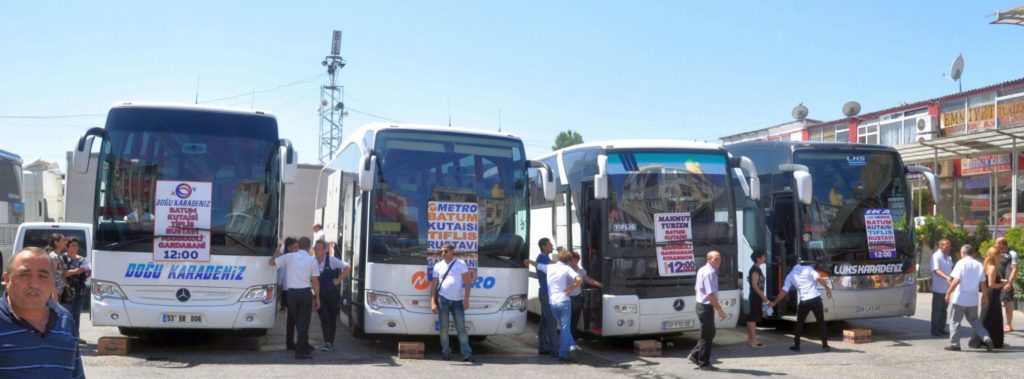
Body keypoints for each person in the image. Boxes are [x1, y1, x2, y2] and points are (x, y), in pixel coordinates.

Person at [0, 247, 85, 378]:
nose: (34, 284)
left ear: (52, 282)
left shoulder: (64, 319)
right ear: (7, 279)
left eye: (43, 276)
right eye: (24, 274)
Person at [768, 255, 833, 352]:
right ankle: (825, 345)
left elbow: (784, 291)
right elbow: (818, 279)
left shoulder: (790, 276)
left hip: (804, 301)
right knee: (821, 322)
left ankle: (797, 345)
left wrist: (774, 302)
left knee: (799, 323)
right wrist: (827, 288)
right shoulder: (808, 268)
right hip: (815, 299)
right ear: (798, 262)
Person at [270, 239, 321, 359]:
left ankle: (302, 347)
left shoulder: (289, 257)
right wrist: (317, 298)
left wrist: (276, 253)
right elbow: (315, 281)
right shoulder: (312, 260)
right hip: (305, 293)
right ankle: (300, 350)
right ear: (309, 247)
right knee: (303, 323)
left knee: (297, 321)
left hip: (291, 293)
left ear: (298, 246)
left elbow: (272, 263)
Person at [944, 244, 993, 352]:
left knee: (955, 321)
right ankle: (986, 337)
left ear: (963, 253)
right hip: (973, 299)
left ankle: (955, 344)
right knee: (975, 321)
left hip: (961, 298)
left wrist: (948, 293)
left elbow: (956, 280)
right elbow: (983, 283)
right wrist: (985, 297)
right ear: (972, 253)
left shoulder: (961, 263)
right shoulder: (978, 264)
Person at [430, 243, 474, 362]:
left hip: (458, 301)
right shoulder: (437, 266)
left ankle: (466, 353)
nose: (443, 253)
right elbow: (434, 285)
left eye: (446, 251)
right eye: (442, 251)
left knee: (461, 328)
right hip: (443, 300)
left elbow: (468, 283)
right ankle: (446, 352)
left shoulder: (461, 264)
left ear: (452, 251)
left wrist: (466, 300)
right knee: (444, 328)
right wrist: (433, 302)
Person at [688, 251, 728, 371]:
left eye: (719, 258)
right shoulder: (709, 273)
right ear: (708, 259)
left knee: (710, 333)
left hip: (702, 305)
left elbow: (697, 289)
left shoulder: (702, 269)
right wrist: (720, 310)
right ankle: (704, 363)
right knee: (707, 336)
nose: (718, 261)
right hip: (705, 306)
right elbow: (711, 295)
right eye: (715, 259)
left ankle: (694, 355)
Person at [545, 248, 583, 362]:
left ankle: (571, 344)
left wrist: (529, 261)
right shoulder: (567, 269)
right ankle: (563, 354)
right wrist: (571, 289)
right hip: (564, 302)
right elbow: (579, 279)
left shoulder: (549, 267)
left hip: (552, 303)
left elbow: (538, 265)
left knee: (562, 327)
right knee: (565, 328)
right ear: (569, 261)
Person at [313, 239, 350, 351]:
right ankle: (328, 341)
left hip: (332, 294)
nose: (316, 251)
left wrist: (338, 280)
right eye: (315, 249)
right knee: (324, 318)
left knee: (331, 318)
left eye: (318, 249)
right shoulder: (312, 261)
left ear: (324, 250)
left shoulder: (332, 260)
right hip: (320, 294)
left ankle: (330, 342)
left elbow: (348, 267)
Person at [524, 238, 558, 356]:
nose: (551, 245)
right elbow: (556, 266)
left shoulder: (544, 258)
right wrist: (563, 258)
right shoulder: (543, 258)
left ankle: (543, 347)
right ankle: (554, 349)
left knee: (544, 322)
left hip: (544, 293)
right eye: (549, 244)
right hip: (547, 294)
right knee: (551, 322)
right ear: (543, 246)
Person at [60, 237, 91, 345]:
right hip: (67, 290)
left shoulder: (82, 259)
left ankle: (75, 336)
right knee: (67, 313)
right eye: (73, 245)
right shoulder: (62, 258)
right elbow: (63, 273)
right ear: (67, 246)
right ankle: (66, 336)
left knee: (77, 314)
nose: (76, 248)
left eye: (77, 245)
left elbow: (87, 273)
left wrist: (87, 272)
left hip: (80, 290)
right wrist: (77, 271)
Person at [568, 250, 602, 341]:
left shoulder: (580, 268)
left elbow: (588, 279)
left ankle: (573, 338)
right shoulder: (566, 269)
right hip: (568, 298)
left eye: (577, 260)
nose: (575, 262)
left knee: (575, 319)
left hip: (577, 297)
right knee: (568, 320)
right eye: (573, 260)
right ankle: (568, 339)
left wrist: (601, 285)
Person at [930, 239, 954, 336]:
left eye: (949, 246)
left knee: (944, 310)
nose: (949, 248)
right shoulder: (936, 256)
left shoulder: (948, 258)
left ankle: (941, 328)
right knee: (937, 310)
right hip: (939, 288)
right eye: (947, 246)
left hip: (947, 288)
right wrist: (947, 277)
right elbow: (936, 270)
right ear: (941, 246)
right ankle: (935, 329)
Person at [746, 250, 769, 348]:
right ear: (758, 259)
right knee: (753, 318)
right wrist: (763, 297)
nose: (765, 258)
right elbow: (755, 286)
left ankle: (751, 339)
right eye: (763, 256)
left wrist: (763, 296)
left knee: (752, 318)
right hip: (755, 297)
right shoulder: (755, 270)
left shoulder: (757, 269)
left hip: (756, 296)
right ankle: (753, 341)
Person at [995, 237, 1018, 333]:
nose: (995, 245)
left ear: (1002, 244)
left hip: (1006, 282)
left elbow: (1015, 269)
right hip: (996, 282)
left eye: (997, 243)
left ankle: (1009, 324)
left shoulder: (1011, 253)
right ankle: (996, 324)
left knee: (1007, 302)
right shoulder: (996, 253)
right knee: (995, 303)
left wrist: (1009, 283)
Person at [44, 233, 68, 303]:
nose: (65, 242)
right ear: (56, 242)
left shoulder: (58, 256)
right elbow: (51, 276)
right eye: (63, 240)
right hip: (54, 293)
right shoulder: (53, 256)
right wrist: (54, 293)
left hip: (59, 291)